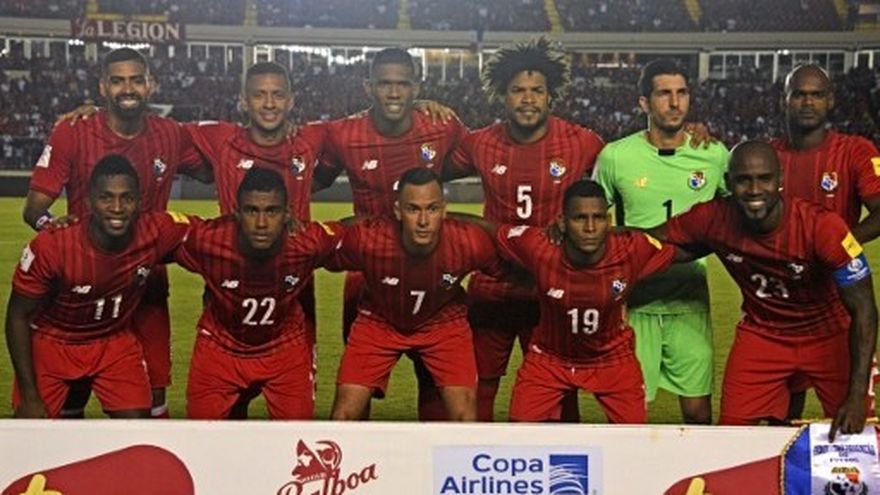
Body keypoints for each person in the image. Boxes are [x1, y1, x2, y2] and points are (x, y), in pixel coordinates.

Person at [22, 47, 209, 418]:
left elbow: (213, 168)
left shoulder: (170, 134)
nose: (128, 88)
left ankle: (149, 455)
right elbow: (34, 209)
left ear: (150, 85)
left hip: (144, 283)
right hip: (82, 281)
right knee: (70, 397)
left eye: (136, 80)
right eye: (118, 81)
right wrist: (52, 228)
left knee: (153, 395)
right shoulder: (74, 131)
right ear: (103, 87)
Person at [654, 141, 877, 436]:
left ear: (780, 179)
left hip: (828, 333)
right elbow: (650, 239)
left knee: (856, 434)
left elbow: (865, 309)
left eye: (764, 179)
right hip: (763, 334)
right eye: (743, 180)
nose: (754, 189)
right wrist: (605, 239)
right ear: (728, 183)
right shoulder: (712, 217)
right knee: (731, 433)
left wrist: (856, 395)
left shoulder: (822, 227)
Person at [444, 37, 604, 421]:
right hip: (492, 287)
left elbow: (626, 172)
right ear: (504, 95)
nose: (528, 99)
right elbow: (427, 166)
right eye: (518, 90)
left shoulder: (582, 143)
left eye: (537, 90)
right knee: (480, 386)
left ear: (551, 96)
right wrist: (422, 111)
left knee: (560, 391)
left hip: (552, 290)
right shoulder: (481, 143)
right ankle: (477, 456)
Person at [313, 47, 466, 420]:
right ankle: (356, 457)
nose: (394, 93)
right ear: (368, 87)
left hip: (430, 272)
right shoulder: (344, 135)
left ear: (417, 87)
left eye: (403, 84)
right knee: (356, 390)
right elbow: (312, 180)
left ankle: (432, 454)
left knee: (435, 389)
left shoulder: (442, 127)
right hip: (367, 276)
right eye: (385, 84)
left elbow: (488, 159)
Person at [592, 59, 729, 424]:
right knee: (628, 417)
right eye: (664, 93)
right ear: (644, 102)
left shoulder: (713, 155)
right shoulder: (616, 157)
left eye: (681, 93)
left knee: (698, 415)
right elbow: (590, 218)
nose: (674, 102)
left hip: (690, 303)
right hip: (634, 306)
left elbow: (741, 214)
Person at [6, 155, 192, 418]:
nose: (117, 207)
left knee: (137, 427)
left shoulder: (155, 231)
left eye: (127, 198)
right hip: (54, 342)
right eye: (106, 198)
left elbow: (204, 233)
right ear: (89, 201)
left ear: (139, 202)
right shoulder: (53, 246)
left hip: (112, 340)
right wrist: (29, 395)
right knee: (31, 428)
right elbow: (17, 316)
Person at [495, 180, 678, 422]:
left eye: (598, 218)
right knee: (518, 430)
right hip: (550, 359)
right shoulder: (538, 246)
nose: (590, 227)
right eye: (580, 218)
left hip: (612, 359)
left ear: (609, 222)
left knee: (634, 436)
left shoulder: (632, 248)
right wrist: (448, 221)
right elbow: (491, 232)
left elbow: (683, 249)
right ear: (562, 222)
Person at [328, 168, 503, 422]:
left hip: (443, 323)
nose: (423, 221)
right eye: (413, 209)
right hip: (379, 321)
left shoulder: (469, 242)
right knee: (343, 415)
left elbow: (506, 270)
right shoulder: (368, 240)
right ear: (398, 211)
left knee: (465, 417)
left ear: (444, 210)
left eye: (432, 209)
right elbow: (320, 254)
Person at [173, 168, 343, 419]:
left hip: (283, 349)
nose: (261, 224)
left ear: (287, 214)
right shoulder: (208, 241)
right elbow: (157, 234)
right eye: (252, 211)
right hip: (220, 348)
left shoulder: (307, 243)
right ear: (237, 213)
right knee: (202, 435)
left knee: (298, 435)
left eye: (272, 211)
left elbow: (355, 233)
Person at [770, 64, 880, 421]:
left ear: (831, 100)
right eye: (799, 94)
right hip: (781, 306)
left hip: (839, 304)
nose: (808, 102)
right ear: (784, 100)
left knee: (851, 415)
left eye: (817, 94)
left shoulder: (855, 151)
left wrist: (838, 247)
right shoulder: (768, 156)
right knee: (780, 418)